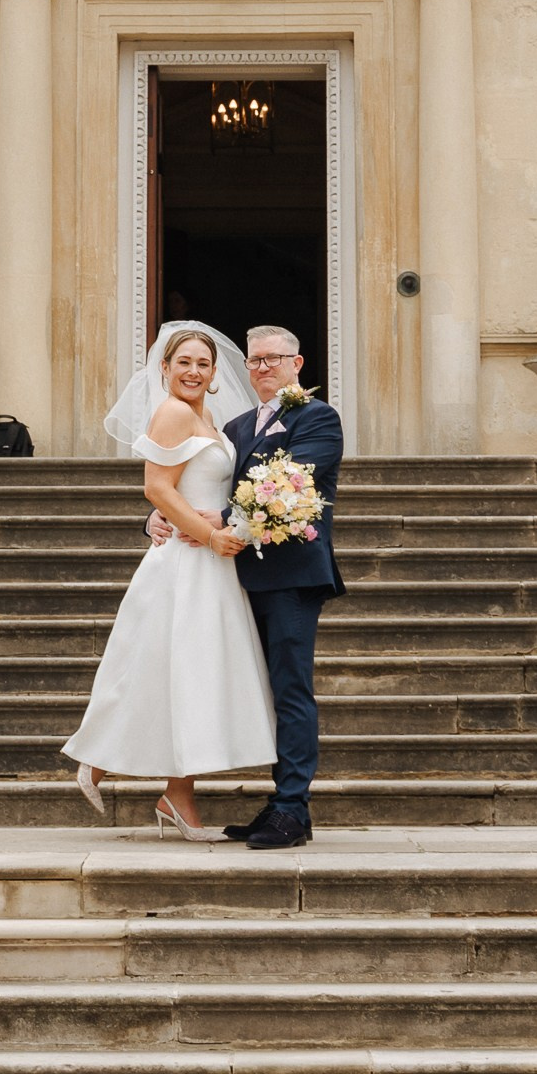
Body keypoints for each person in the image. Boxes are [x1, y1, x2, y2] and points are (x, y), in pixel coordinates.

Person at [62, 322, 276, 839]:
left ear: (215, 373)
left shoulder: (214, 424)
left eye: (203, 364)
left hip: (210, 566)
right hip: (184, 565)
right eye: (184, 363)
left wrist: (226, 526)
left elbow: (196, 487)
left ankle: (177, 798)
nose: (194, 371)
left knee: (191, 679)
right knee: (167, 671)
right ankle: (100, 757)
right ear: (165, 369)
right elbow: (156, 489)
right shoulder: (173, 412)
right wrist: (206, 534)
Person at [213, 323, 346, 852]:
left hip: (291, 577)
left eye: (273, 358)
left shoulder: (317, 417)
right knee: (258, 691)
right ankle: (278, 801)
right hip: (234, 576)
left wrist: (208, 520)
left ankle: (293, 808)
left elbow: (290, 484)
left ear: (298, 363)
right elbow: (197, 480)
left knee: (290, 689)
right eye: (254, 361)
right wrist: (161, 517)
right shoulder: (236, 425)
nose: (263, 367)